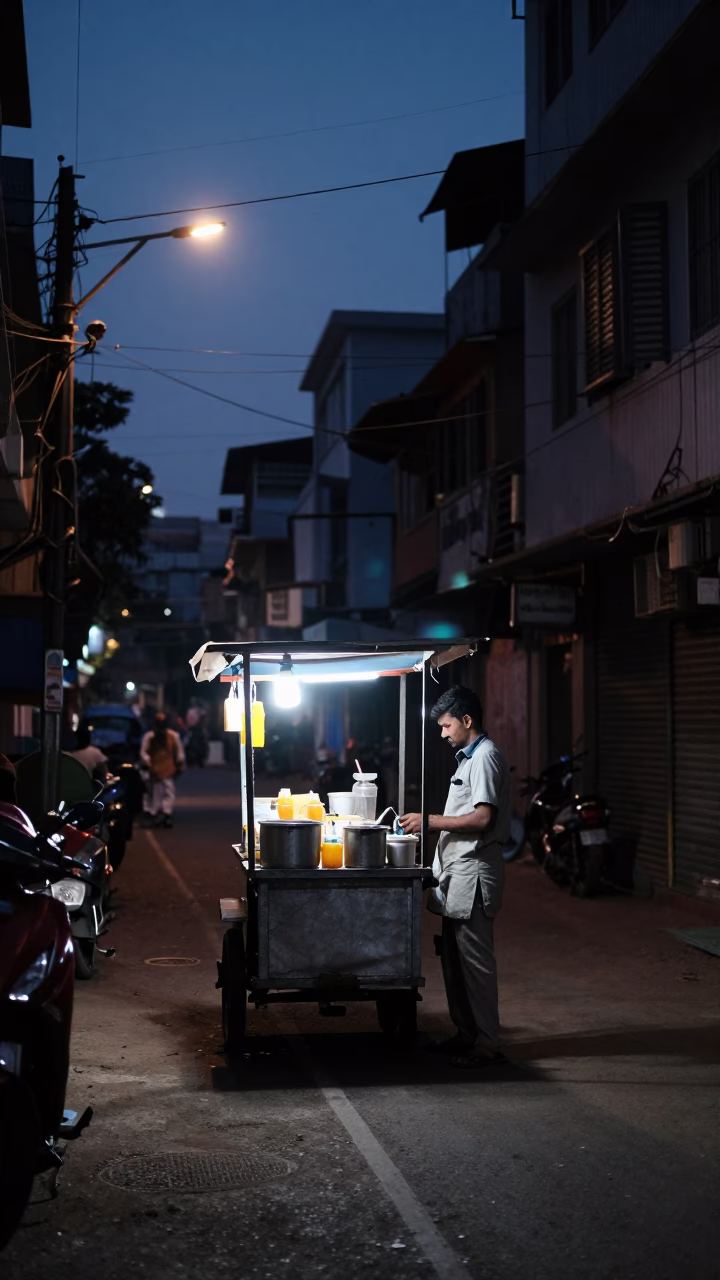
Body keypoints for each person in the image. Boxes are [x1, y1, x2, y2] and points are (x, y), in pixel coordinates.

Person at [399, 685, 511, 1068]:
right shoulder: (468, 759)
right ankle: (466, 1035)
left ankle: (487, 1043)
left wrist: (428, 821)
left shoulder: (486, 759)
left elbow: (482, 818)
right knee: (454, 961)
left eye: (447, 726)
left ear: (467, 720)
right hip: (456, 876)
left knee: (475, 964)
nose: (443, 734)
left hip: (474, 876)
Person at [140, 713, 185, 828]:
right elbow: (144, 753)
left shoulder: (173, 736)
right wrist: (148, 763)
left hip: (168, 769)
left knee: (168, 792)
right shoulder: (149, 737)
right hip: (154, 770)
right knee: (154, 793)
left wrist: (179, 765)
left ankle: (166, 813)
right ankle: (154, 813)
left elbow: (179, 752)